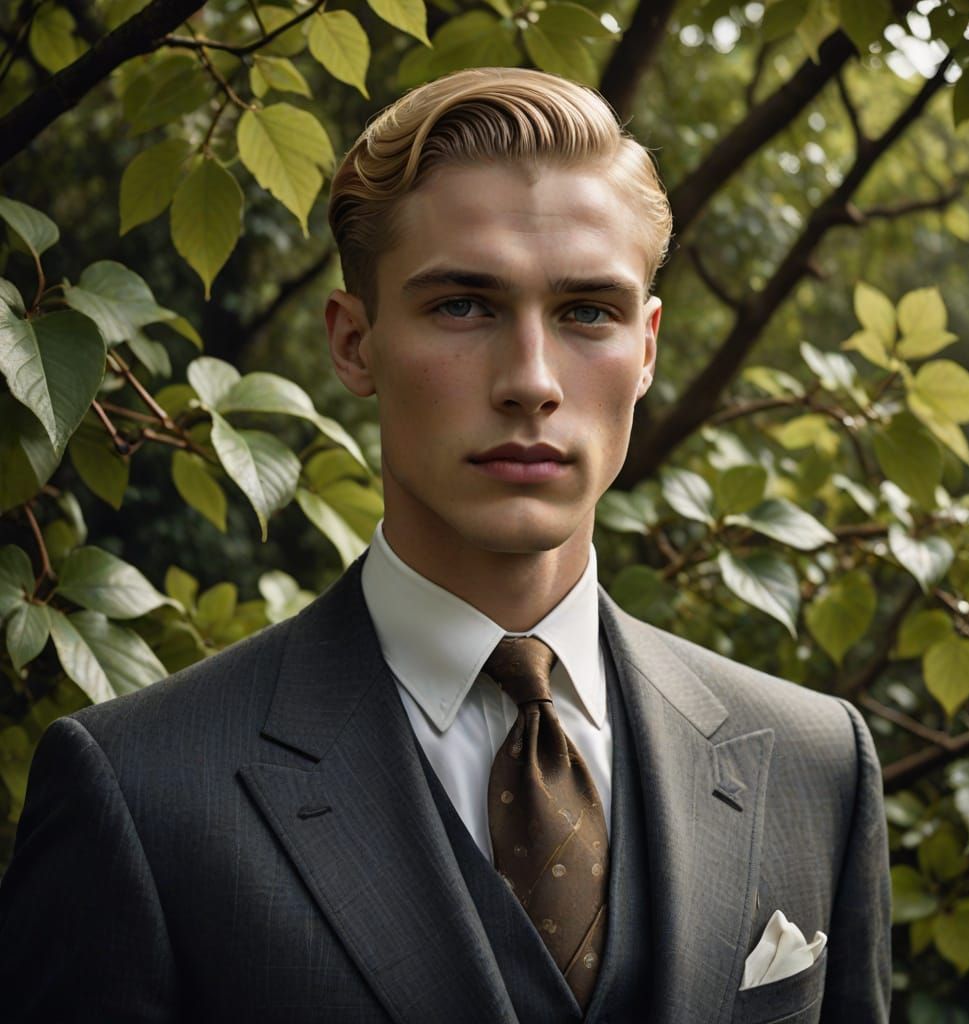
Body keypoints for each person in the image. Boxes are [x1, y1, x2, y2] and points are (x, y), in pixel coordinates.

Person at [0, 67, 890, 1023]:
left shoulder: (814, 766)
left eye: (589, 310)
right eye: (464, 305)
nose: (532, 382)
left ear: (647, 349)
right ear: (353, 344)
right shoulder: (140, 789)